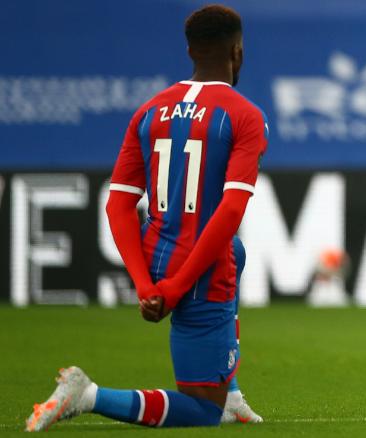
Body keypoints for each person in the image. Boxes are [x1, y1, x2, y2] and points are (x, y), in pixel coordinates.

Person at [26, 4, 267, 431]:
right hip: (199, 270)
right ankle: (88, 395)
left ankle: (231, 393)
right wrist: (176, 286)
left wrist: (144, 283)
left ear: (191, 50)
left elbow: (118, 204)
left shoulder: (149, 110)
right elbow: (230, 209)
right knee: (201, 411)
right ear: (238, 53)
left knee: (238, 250)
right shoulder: (245, 115)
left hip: (154, 255)